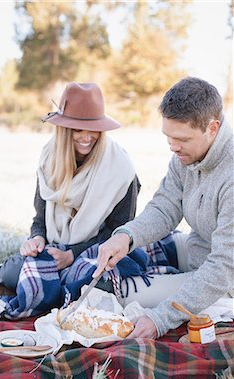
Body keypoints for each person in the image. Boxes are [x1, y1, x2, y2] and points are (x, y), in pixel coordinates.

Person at [0, 82, 140, 316]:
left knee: (91, 282)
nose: (87, 137)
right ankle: (10, 278)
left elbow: (118, 232)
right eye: (78, 129)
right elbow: (40, 219)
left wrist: (72, 254)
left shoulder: (121, 170)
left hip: (97, 251)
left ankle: (22, 285)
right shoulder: (50, 160)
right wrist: (37, 238)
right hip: (55, 250)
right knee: (17, 270)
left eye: (94, 129)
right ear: (64, 129)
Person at [94, 77, 233, 339]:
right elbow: (165, 205)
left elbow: (224, 266)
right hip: (199, 249)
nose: (172, 146)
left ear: (212, 128)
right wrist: (127, 236)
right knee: (131, 248)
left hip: (224, 279)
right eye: (168, 137)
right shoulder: (185, 155)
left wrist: (160, 318)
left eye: (181, 139)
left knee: (120, 292)